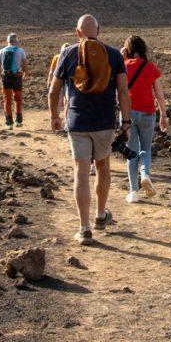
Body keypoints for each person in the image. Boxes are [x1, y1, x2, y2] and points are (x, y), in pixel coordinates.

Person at [49, 15, 131, 245]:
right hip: (104, 121)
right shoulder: (114, 54)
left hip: (77, 121)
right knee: (103, 167)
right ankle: (100, 215)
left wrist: (54, 116)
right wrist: (126, 122)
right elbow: (124, 92)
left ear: (77, 33)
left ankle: (84, 228)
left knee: (81, 172)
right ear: (99, 30)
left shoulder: (67, 53)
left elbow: (53, 90)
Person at [121, 35, 168, 203]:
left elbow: (117, 90)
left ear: (128, 50)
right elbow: (160, 96)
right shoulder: (151, 67)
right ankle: (145, 174)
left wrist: (121, 59)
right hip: (148, 113)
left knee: (131, 152)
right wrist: (163, 115)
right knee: (146, 149)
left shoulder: (124, 66)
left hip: (129, 114)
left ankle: (133, 192)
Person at [0, 33, 29, 130]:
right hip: (17, 77)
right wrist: (26, 74)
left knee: (7, 100)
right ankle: (18, 121)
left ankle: (9, 123)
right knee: (18, 99)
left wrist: (0, 76)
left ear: (8, 41)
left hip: (6, 77)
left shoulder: (1, 51)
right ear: (16, 41)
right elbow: (25, 64)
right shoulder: (20, 50)